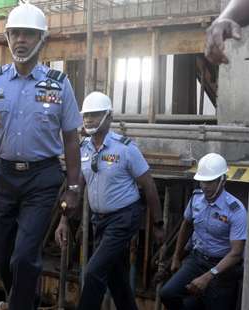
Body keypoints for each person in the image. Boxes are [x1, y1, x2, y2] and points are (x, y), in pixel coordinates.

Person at [0, 2, 83, 309]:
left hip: (42, 178)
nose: (20, 40)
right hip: (3, 176)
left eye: (28, 34)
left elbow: (71, 138)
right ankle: (22, 302)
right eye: (15, 33)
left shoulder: (59, 85)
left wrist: (73, 187)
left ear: (42, 39)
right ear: (7, 37)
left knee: (25, 256)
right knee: (4, 260)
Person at [55, 92, 164, 310]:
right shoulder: (83, 149)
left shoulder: (125, 148)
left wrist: (158, 224)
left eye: (95, 115)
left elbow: (149, 186)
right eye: (86, 115)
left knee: (94, 270)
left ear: (108, 116)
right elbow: (74, 190)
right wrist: (63, 221)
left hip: (125, 217)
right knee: (116, 278)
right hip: (100, 220)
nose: (88, 120)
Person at [159, 153, 246, 310]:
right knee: (168, 293)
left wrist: (208, 276)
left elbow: (236, 253)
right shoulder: (196, 199)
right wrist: (176, 257)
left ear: (223, 180)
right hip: (197, 260)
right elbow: (186, 224)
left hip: (223, 268)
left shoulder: (235, 210)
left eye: (210, 181)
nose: (205, 186)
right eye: (202, 181)